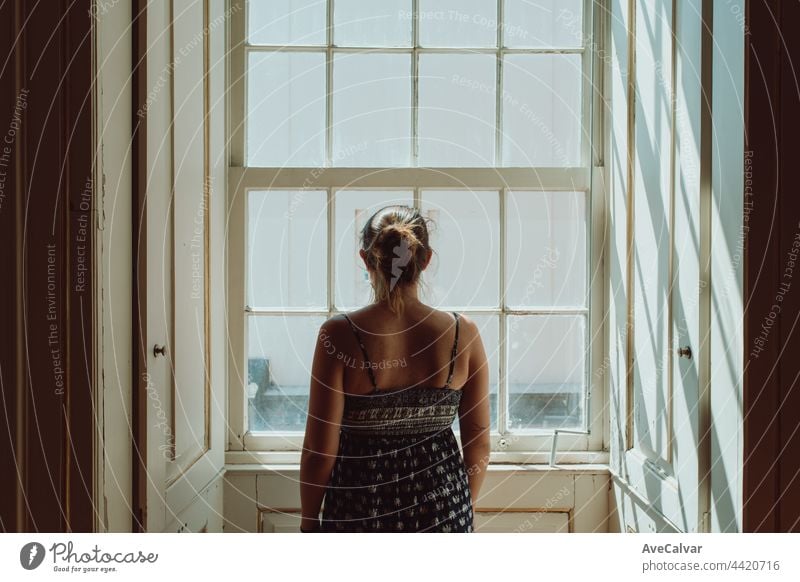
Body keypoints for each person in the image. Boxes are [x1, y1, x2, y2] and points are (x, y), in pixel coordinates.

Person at [299, 204, 491, 532]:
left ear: (366, 258)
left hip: (358, 506)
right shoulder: (463, 334)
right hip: (443, 505)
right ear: (426, 259)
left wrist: (308, 521)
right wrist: (460, 506)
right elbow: (478, 440)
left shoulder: (339, 335)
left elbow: (320, 450)